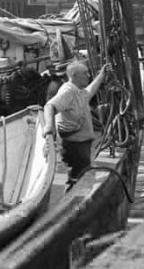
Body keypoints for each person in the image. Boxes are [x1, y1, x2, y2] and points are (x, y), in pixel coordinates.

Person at [43, 60, 109, 188]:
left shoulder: (79, 91)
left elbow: (91, 90)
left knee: (81, 173)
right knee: (78, 177)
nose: (88, 76)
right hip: (74, 146)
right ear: (75, 76)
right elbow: (49, 106)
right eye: (85, 73)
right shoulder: (68, 91)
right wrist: (49, 127)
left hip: (81, 144)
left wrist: (102, 74)